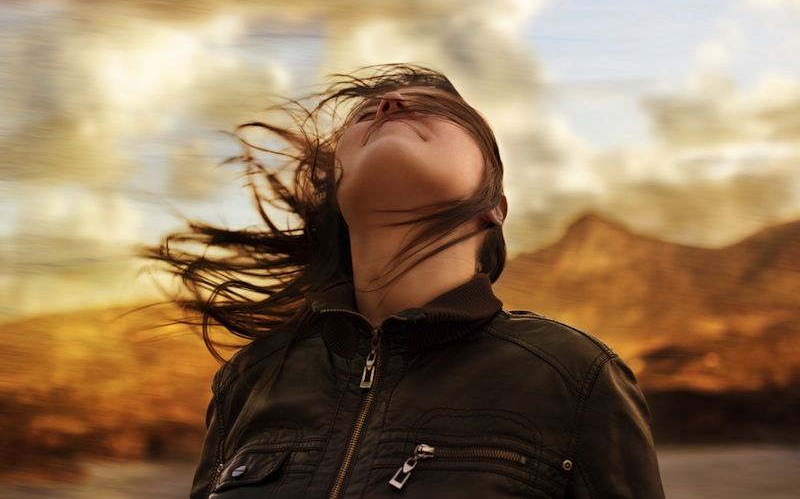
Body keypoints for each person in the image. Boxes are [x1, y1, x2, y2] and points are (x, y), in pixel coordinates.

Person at [142, 63, 665, 498]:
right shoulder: (252, 380)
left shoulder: (575, 377)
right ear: (336, 193)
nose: (390, 104)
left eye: (436, 109)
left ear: (494, 206)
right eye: (367, 113)